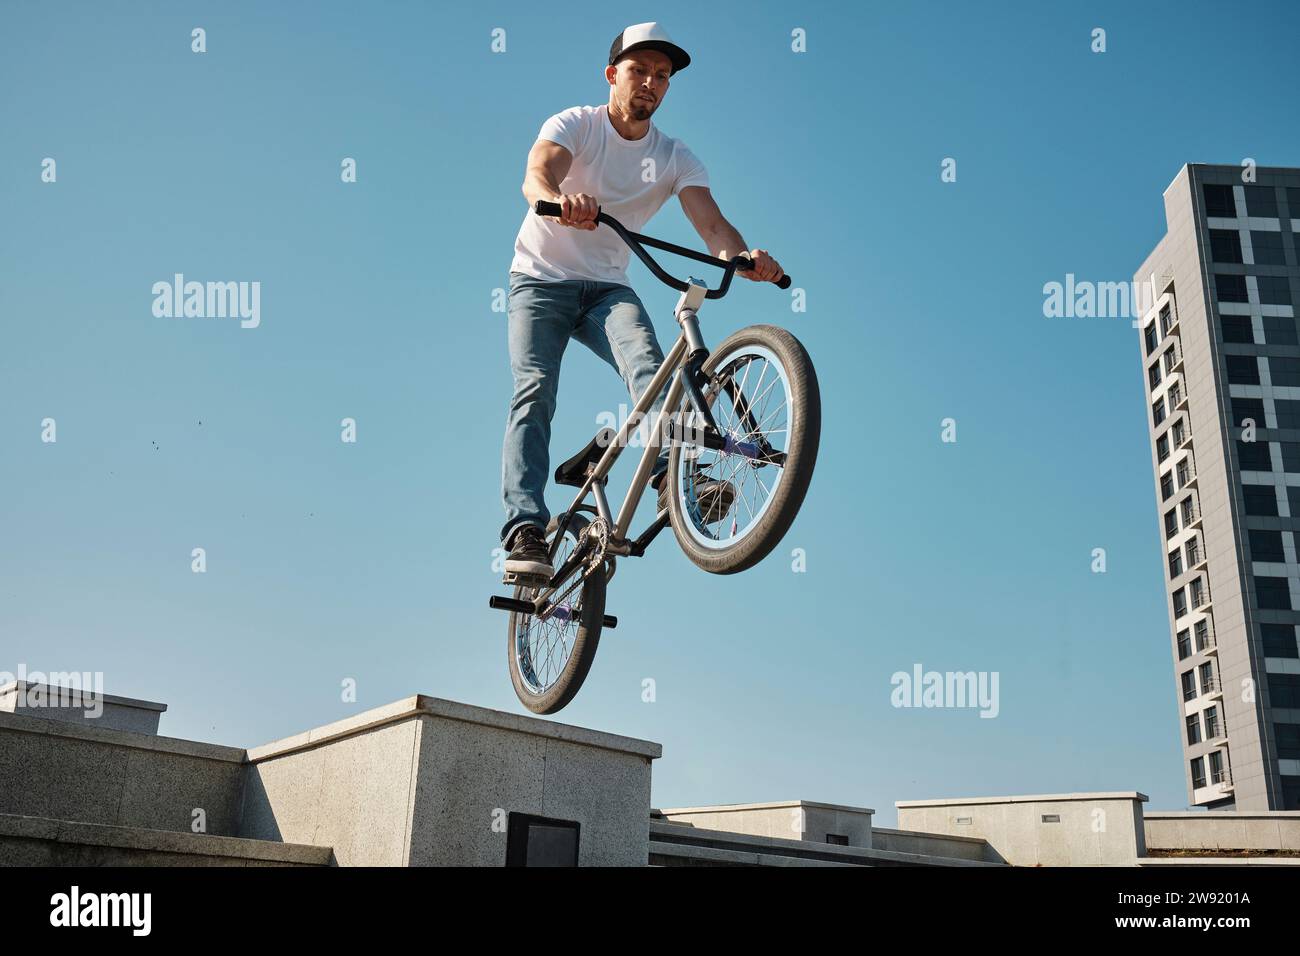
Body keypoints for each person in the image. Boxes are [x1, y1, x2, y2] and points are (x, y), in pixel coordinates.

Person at [501, 22, 785, 583]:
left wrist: (741, 256)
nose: (650, 83)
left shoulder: (676, 157)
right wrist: (559, 200)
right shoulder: (576, 125)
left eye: (662, 76)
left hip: (608, 286)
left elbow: (711, 224)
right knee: (535, 390)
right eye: (639, 71)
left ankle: (671, 482)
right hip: (540, 278)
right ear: (613, 75)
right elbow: (536, 175)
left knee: (651, 369)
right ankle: (525, 527)